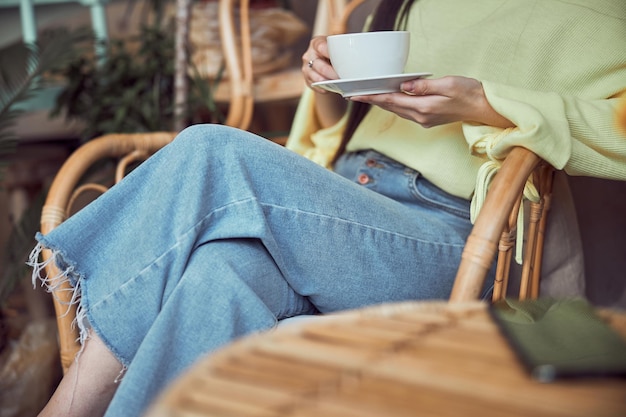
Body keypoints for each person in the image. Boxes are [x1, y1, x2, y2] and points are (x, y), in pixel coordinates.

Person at [30, 1, 626, 416]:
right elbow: (338, 134)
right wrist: (331, 88)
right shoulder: (408, 5)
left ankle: (63, 409)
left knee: (210, 150)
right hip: (340, 199)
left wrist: (486, 102)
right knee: (223, 272)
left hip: (452, 231)